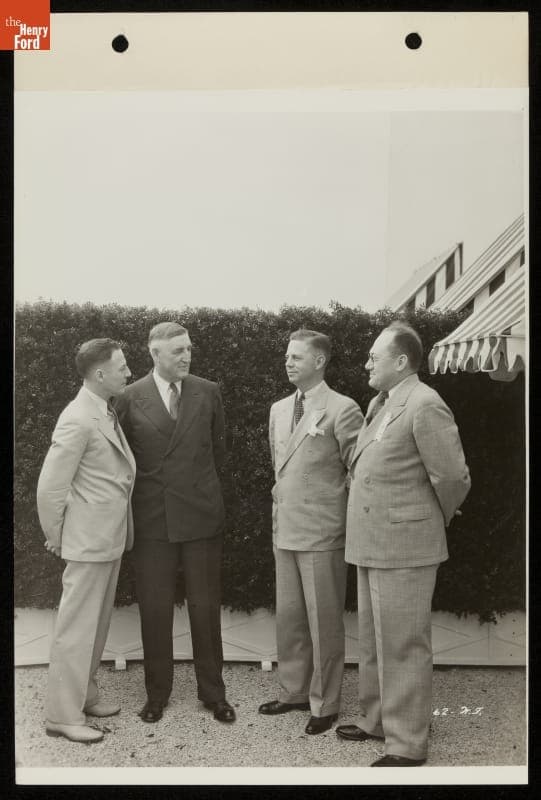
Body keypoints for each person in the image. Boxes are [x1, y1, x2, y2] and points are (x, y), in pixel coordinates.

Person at [337, 321, 471, 766]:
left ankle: (409, 743)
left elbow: (452, 477)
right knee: (376, 642)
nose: (366, 364)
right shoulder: (385, 402)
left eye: (374, 357)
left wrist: (426, 520)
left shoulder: (424, 403)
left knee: (403, 644)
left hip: (406, 546)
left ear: (400, 362)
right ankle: (379, 721)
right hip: (374, 543)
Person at [115, 322, 235, 724]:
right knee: (155, 609)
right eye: (177, 351)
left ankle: (214, 694)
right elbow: (123, 460)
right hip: (153, 520)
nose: (186, 356)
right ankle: (157, 695)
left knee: (205, 608)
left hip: (201, 517)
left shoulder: (208, 391)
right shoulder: (129, 398)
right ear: (155, 355)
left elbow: (219, 451)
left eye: (188, 349)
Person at [259, 329, 364, 735]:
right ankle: (293, 692)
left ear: (319, 361)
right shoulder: (280, 408)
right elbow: (279, 468)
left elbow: (359, 470)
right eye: (287, 355)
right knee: (290, 618)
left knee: (323, 621)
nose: (288, 362)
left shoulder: (344, 408)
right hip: (285, 528)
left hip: (323, 532)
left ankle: (326, 702)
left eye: (297, 356)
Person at [37, 338, 135, 743]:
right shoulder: (78, 417)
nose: (129, 372)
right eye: (122, 366)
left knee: (94, 627)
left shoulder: (101, 410)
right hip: (88, 541)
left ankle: (84, 695)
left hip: (105, 538)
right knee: (76, 629)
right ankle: (61, 715)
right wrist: (58, 538)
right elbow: (49, 488)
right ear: (99, 374)